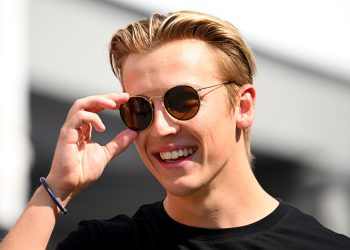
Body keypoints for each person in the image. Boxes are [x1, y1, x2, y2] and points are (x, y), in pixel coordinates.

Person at [1, 10, 350, 250]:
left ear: (242, 107)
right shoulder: (107, 244)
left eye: (182, 101)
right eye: (139, 109)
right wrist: (57, 189)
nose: (162, 128)